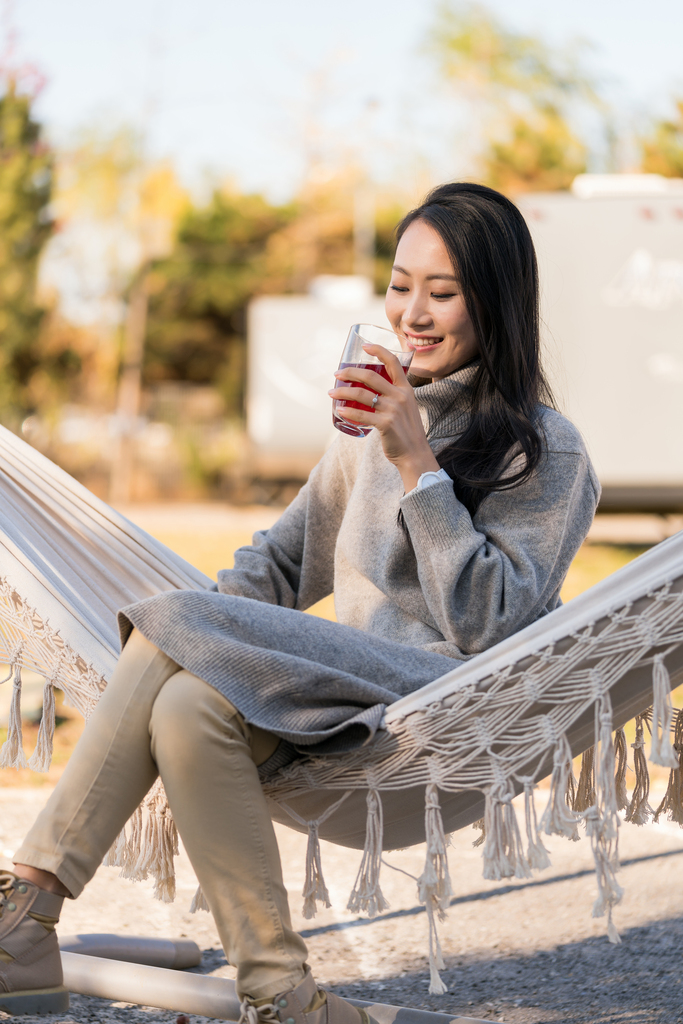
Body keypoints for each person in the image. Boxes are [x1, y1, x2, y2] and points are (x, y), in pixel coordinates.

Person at [0, 182, 599, 1018]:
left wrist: (416, 463)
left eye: (442, 291)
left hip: (442, 701)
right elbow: (279, 566)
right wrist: (171, 643)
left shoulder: (546, 451)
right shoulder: (371, 420)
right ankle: (283, 995)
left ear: (495, 301)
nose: (412, 313)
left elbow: (487, 622)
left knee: (182, 629)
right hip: (331, 696)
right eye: (399, 285)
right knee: (183, 704)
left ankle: (26, 904)